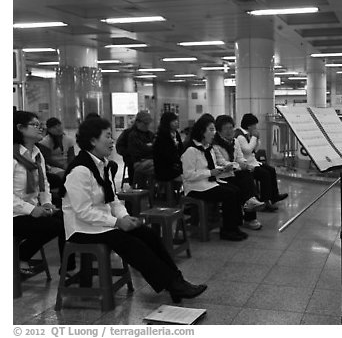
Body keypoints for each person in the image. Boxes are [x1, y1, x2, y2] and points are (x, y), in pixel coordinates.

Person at [61, 117, 206, 302]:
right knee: (130, 243)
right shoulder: (80, 170)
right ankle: (171, 284)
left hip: (100, 224)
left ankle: (177, 280)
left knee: (147, 234)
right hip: (82, 229)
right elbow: (82, 211)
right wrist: (116, 222)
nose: (112, 141)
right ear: (92, 141)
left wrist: (126, 217)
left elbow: (112, 200)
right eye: (107, 136)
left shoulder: (102, 165)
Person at [13, 111, 73, 276]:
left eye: (41, 125)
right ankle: (21, 255)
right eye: (35, 125)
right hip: (13, 214)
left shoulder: (37, 153)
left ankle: (67, 268)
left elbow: (44, 183)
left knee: (68, 218)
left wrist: (46, 203)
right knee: (55, 226)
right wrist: (31, 210)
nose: (41, 128)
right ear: (20, 128)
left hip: (31, 208)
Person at [181, 114, 247, 241]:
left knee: (236, 190)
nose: (214, 133)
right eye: (211, 130)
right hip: (196, 188)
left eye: (214, 129)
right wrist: (210, 173)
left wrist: (222, 168)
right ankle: (227, 230)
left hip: (209, 183)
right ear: (202, 132)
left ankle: (234, 227)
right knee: (229, 194)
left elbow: (212, 165)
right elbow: (188, 175)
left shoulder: (208, 148)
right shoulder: (191, 150)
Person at [213, 114, 265, 230]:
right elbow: (222, 162)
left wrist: (244, 164)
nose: (229, 131)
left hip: (234, 172)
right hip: (223, 175)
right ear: (219, 130)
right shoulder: (215, 144)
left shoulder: (235, 141)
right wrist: (239, 166)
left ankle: (250, 213)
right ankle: (249, 214)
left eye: (231, 127)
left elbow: (240, 157)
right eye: (226, 128)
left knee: (247, 175)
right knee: (242, 183)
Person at [234, 113, 288, 211]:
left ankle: (274, 196)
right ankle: (265, 201)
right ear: (249, 126)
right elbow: (248, 150)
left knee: (271, 170)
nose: (256, 127)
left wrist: (257, 139)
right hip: (247, 164)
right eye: (254, 125)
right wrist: (254, 137)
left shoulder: (248, 134)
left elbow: (256, 149)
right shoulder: (240, 136)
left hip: (253, 161)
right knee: (265, 174)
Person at [127, 111, 155, 188]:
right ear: (137, 123)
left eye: (148, 124)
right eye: (145, 124)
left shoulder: (150, 134)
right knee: (159, 167)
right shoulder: (133, 135)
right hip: (139, 162)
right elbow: (140, 151)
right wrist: (150, 148)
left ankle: (160, 192)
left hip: (150, 160)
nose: (147, 126)